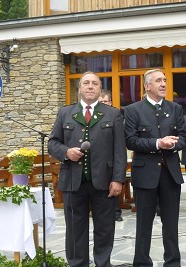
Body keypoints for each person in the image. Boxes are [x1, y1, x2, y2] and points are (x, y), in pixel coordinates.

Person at [48, 71, 127, 267]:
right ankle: (77, 264)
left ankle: (102, 263)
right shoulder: (65, 113)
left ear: (100, 89)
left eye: (94, 83)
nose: (90, 86)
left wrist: (118, 179)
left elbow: (119, 150)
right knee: (75, 230)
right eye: (86, 83)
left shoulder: (113, 113)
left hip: (104, 182)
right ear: (80, 89)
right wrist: (66, 152)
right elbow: (52, 143)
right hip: (73, 182)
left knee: (104, 229)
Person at [124, 69, 186, 266]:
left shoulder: (175, 109)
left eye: (165, 80)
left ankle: (173, 262)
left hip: (170, 174)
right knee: (144, 224)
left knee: (171, 224)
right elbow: (131, 141)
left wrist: (173, 144)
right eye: (158, 80)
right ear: (147, 86)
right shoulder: (133, 110)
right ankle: (142, 263)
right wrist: (158, 143)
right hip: (145, 175)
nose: (163, 84)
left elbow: (185, 137)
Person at [98, 89, 124, 222]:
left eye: (105, 101)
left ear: (110, 102)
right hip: (98, 164)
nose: (103, 103)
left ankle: (116, 212)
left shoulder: (115, 115)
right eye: (100, 101)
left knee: (114, 187)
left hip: (113, 161)